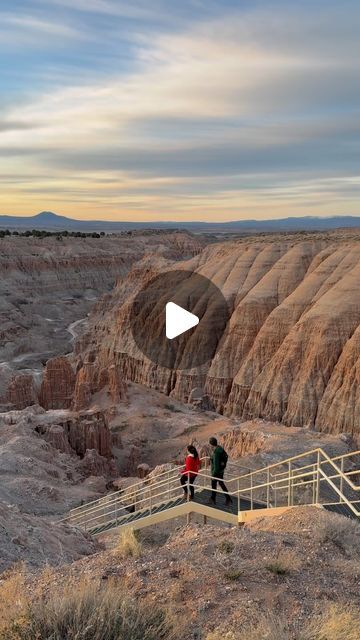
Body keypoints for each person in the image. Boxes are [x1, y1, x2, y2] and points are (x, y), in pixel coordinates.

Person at [208, 437, 232, 506]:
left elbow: (216, 466)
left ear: (211, 444)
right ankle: (228, 499)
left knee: (214, 484)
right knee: (221, 483)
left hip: (217, 472)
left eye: (209, 444)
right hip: (221, 471)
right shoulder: (219, 448)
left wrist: (213, 475)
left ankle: (213, 499)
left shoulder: (216, 453)